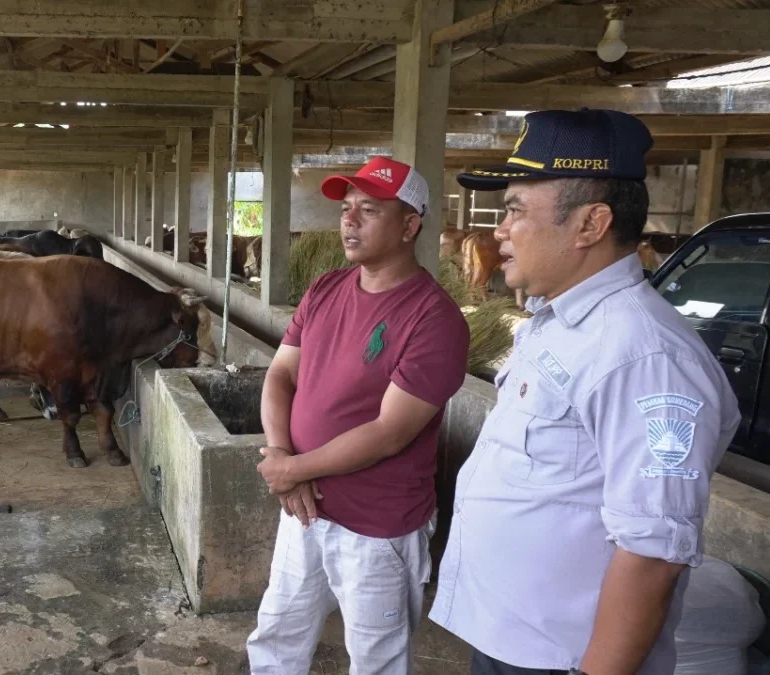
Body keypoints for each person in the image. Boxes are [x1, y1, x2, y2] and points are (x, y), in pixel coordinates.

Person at [428, 108, 742, 675]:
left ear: (590, 225)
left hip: (565, 659)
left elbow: (652, 553)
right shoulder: (560, 324)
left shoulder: (644, 355)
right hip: (514, 638)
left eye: (515, 211)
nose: (499, 230)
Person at [246, 156, 471, 674]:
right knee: (278, 632)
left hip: (377, 527)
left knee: (376, 659)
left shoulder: (434, 319)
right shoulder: (325, 289)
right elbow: (280, 374)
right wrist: (281, 457)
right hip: (303, 509)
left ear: (410, 225)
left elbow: (391, 433)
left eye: (369, 209)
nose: (348, 220)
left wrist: (292, 471)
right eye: (347, 208)